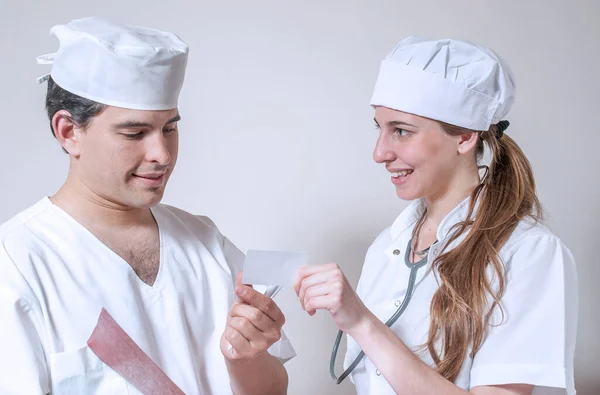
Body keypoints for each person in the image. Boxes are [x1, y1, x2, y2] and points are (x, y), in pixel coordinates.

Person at [0, 17, 294, 394]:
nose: (161, 154)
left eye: (169, 129)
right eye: (135, 133)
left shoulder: (205, 242)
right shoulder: (17, 266)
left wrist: (247, 360)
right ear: (69, 132)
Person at [294, 36, 577, 395]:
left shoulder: (528, 254)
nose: (379, 153)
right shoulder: (387, 248)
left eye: (400, 131)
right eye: (378, 128)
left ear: (464, 137)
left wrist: (363, 323)